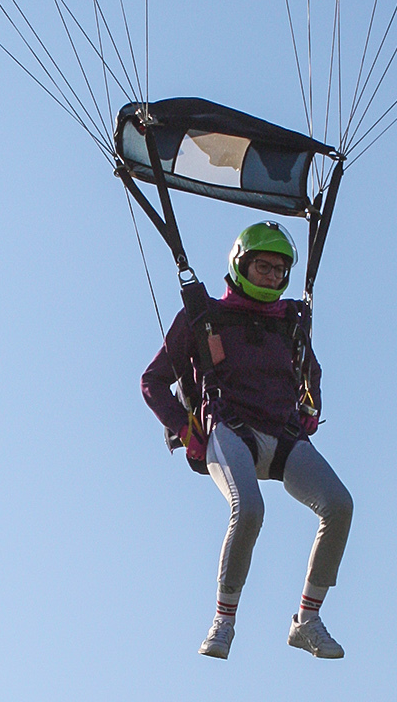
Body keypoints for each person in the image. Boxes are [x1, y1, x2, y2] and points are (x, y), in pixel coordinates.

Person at [141, 221, 354, 660]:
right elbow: (152, 381)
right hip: (230, 430)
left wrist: (311, 408)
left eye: (280, 271)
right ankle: (223, 620)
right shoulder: (204, 318)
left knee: (340, 504)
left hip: (284, 435)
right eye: (264, 267)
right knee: (250, 509)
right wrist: (185, 428)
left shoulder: (290, 323)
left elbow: (310, 372)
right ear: (241, 265)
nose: (273, 277)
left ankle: (307, 621)